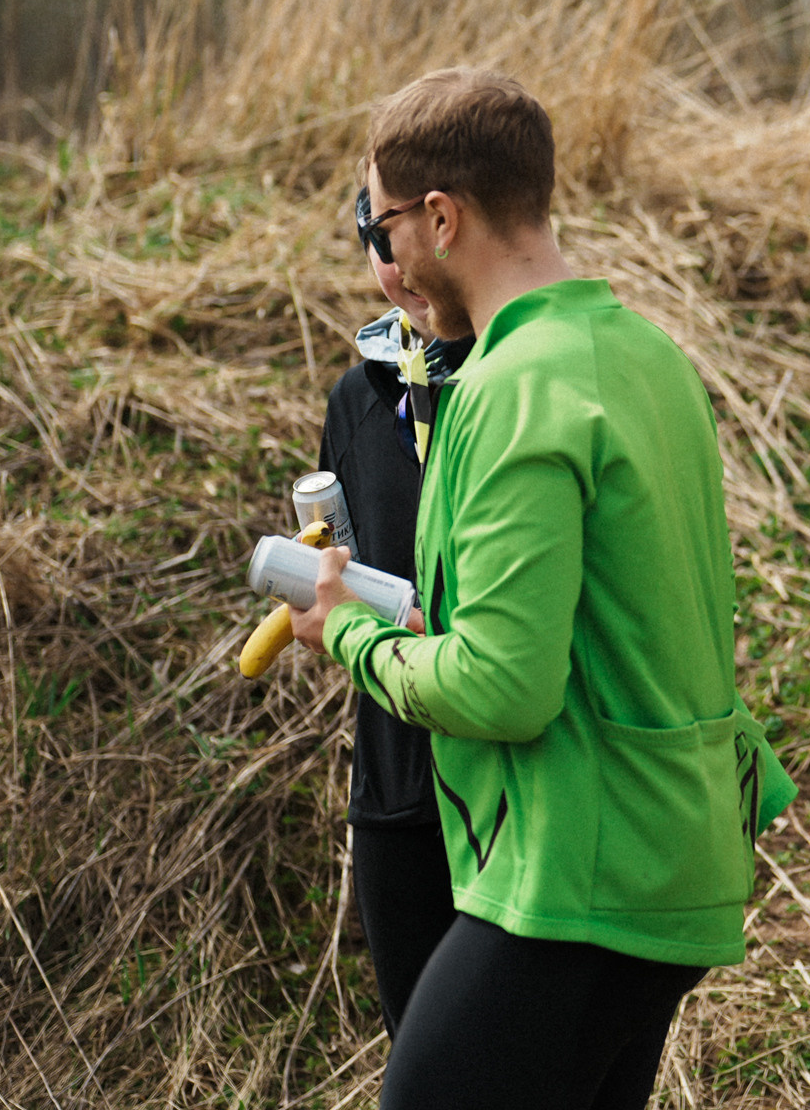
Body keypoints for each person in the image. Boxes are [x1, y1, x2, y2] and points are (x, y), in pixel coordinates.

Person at [290, 67, 791, 1110]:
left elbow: (503, 689)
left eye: (382, 224)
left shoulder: (509, 390)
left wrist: (347, 632)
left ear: (440, 215)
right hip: (676, 849)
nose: (381, 254)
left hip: (578, 877)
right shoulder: (646, 355)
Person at [318, 188, 470, 1036]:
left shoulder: (507, 382)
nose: (394, 265)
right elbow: (343, 540)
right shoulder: (357, 397)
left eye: (399, 235)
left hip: (502, 775)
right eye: (373, 243)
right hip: (395, 778)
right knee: (415, 1047)